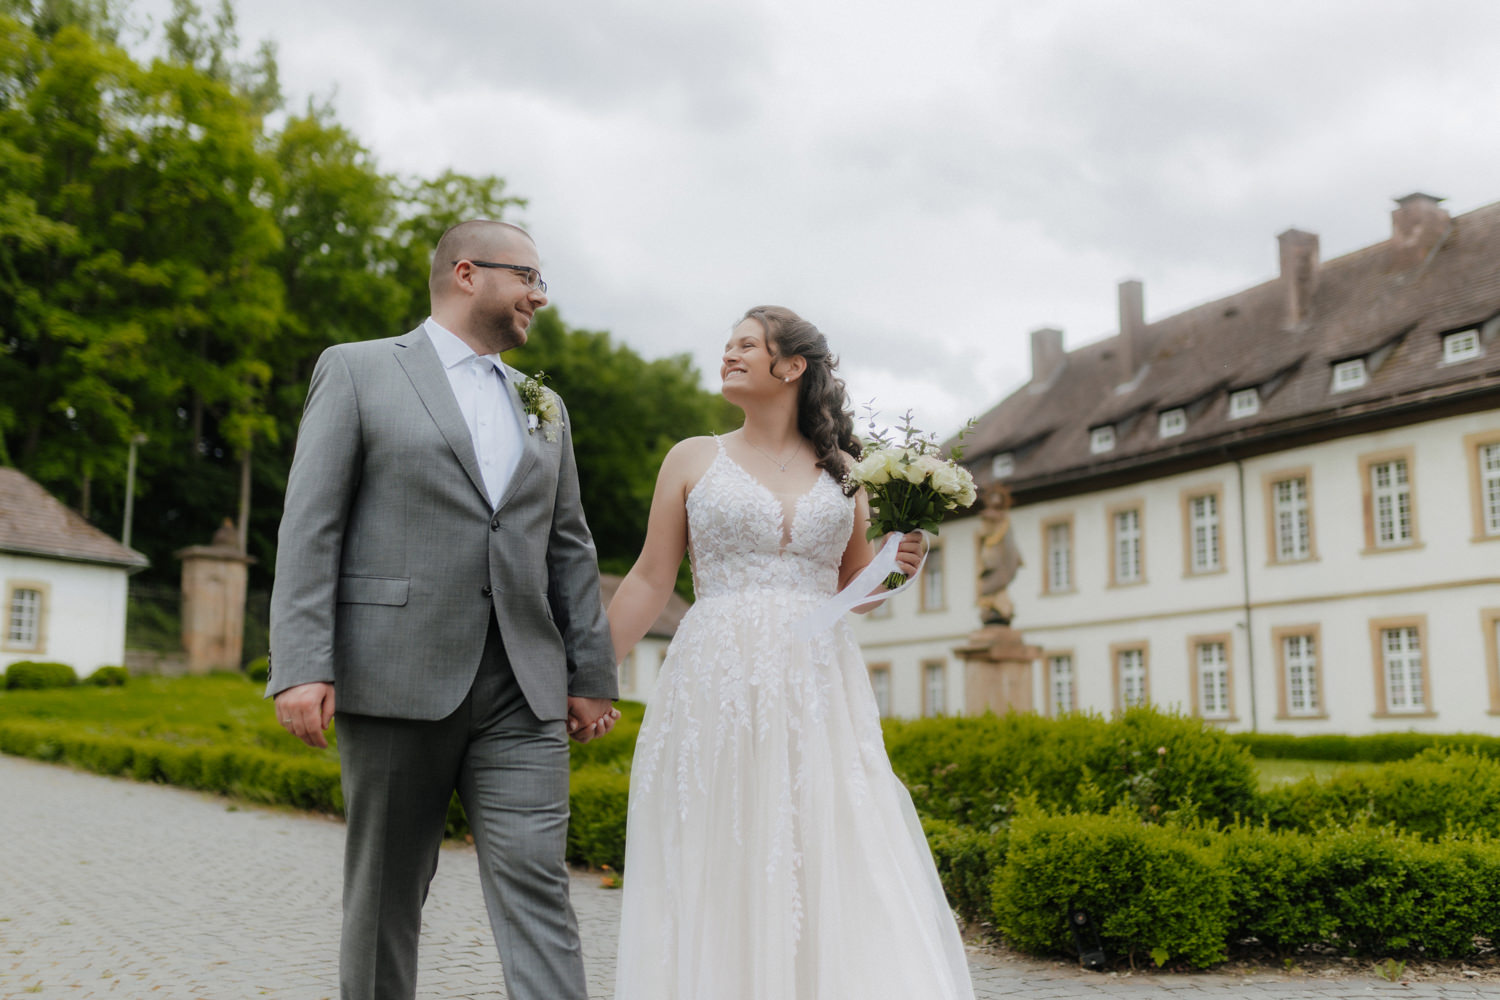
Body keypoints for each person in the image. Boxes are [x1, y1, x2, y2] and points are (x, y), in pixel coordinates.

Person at [267, 219, 620, 1000]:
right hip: (395, 676)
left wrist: (591, 672)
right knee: (385, 897)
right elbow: (311, 525)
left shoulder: (544, 404)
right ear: (466, 273)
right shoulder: (357, 370)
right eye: (527, 277)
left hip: (522, 687)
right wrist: (301, 664)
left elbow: (569, 545)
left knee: (539, 888)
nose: (539, 296)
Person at [606, 306, 976, 999]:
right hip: (715, 678)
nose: (728, 354)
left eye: (746, 344)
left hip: (818, 684)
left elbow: (856, 591)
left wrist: (901, 566)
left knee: (822, 840)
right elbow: (652, 579)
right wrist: (592, 676)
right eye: (727, 345)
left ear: (792, 366)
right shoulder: (692, 457)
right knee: (723, 840)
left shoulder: (847, 473)